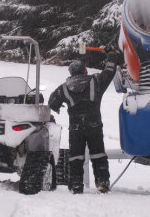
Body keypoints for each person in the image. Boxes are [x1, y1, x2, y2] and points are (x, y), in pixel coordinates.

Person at [48, 50, 119, 194]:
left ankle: (76, 185)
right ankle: (102, 182)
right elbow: (110, 71)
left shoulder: (64, 88)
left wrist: (58, 106)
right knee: (98, 153)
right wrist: (111, 54)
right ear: (84, 71)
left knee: (76, 156)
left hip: (75, 127)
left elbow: (52, 101)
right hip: (94, 124)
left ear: (71, 73)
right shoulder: (96, 80)